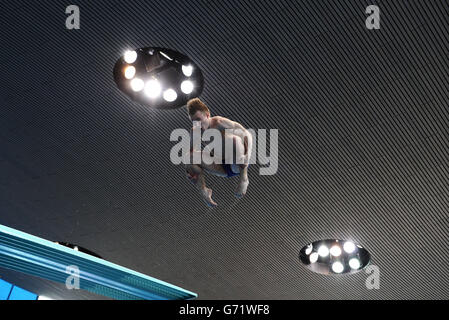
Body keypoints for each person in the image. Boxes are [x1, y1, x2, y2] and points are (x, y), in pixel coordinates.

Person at [184, 98, 252, 207]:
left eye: (199, 120)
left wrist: (246, 158)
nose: (197, 124)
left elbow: (247, 134)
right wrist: (190, 171)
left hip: (235, 163)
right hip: (220, 166)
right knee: (189, 157)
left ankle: (244, 179)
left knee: (232, 138)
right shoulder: (195, 130)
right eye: (193, 121)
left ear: (207, 115)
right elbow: (191, 153)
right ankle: (204, 192)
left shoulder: (219, 122)